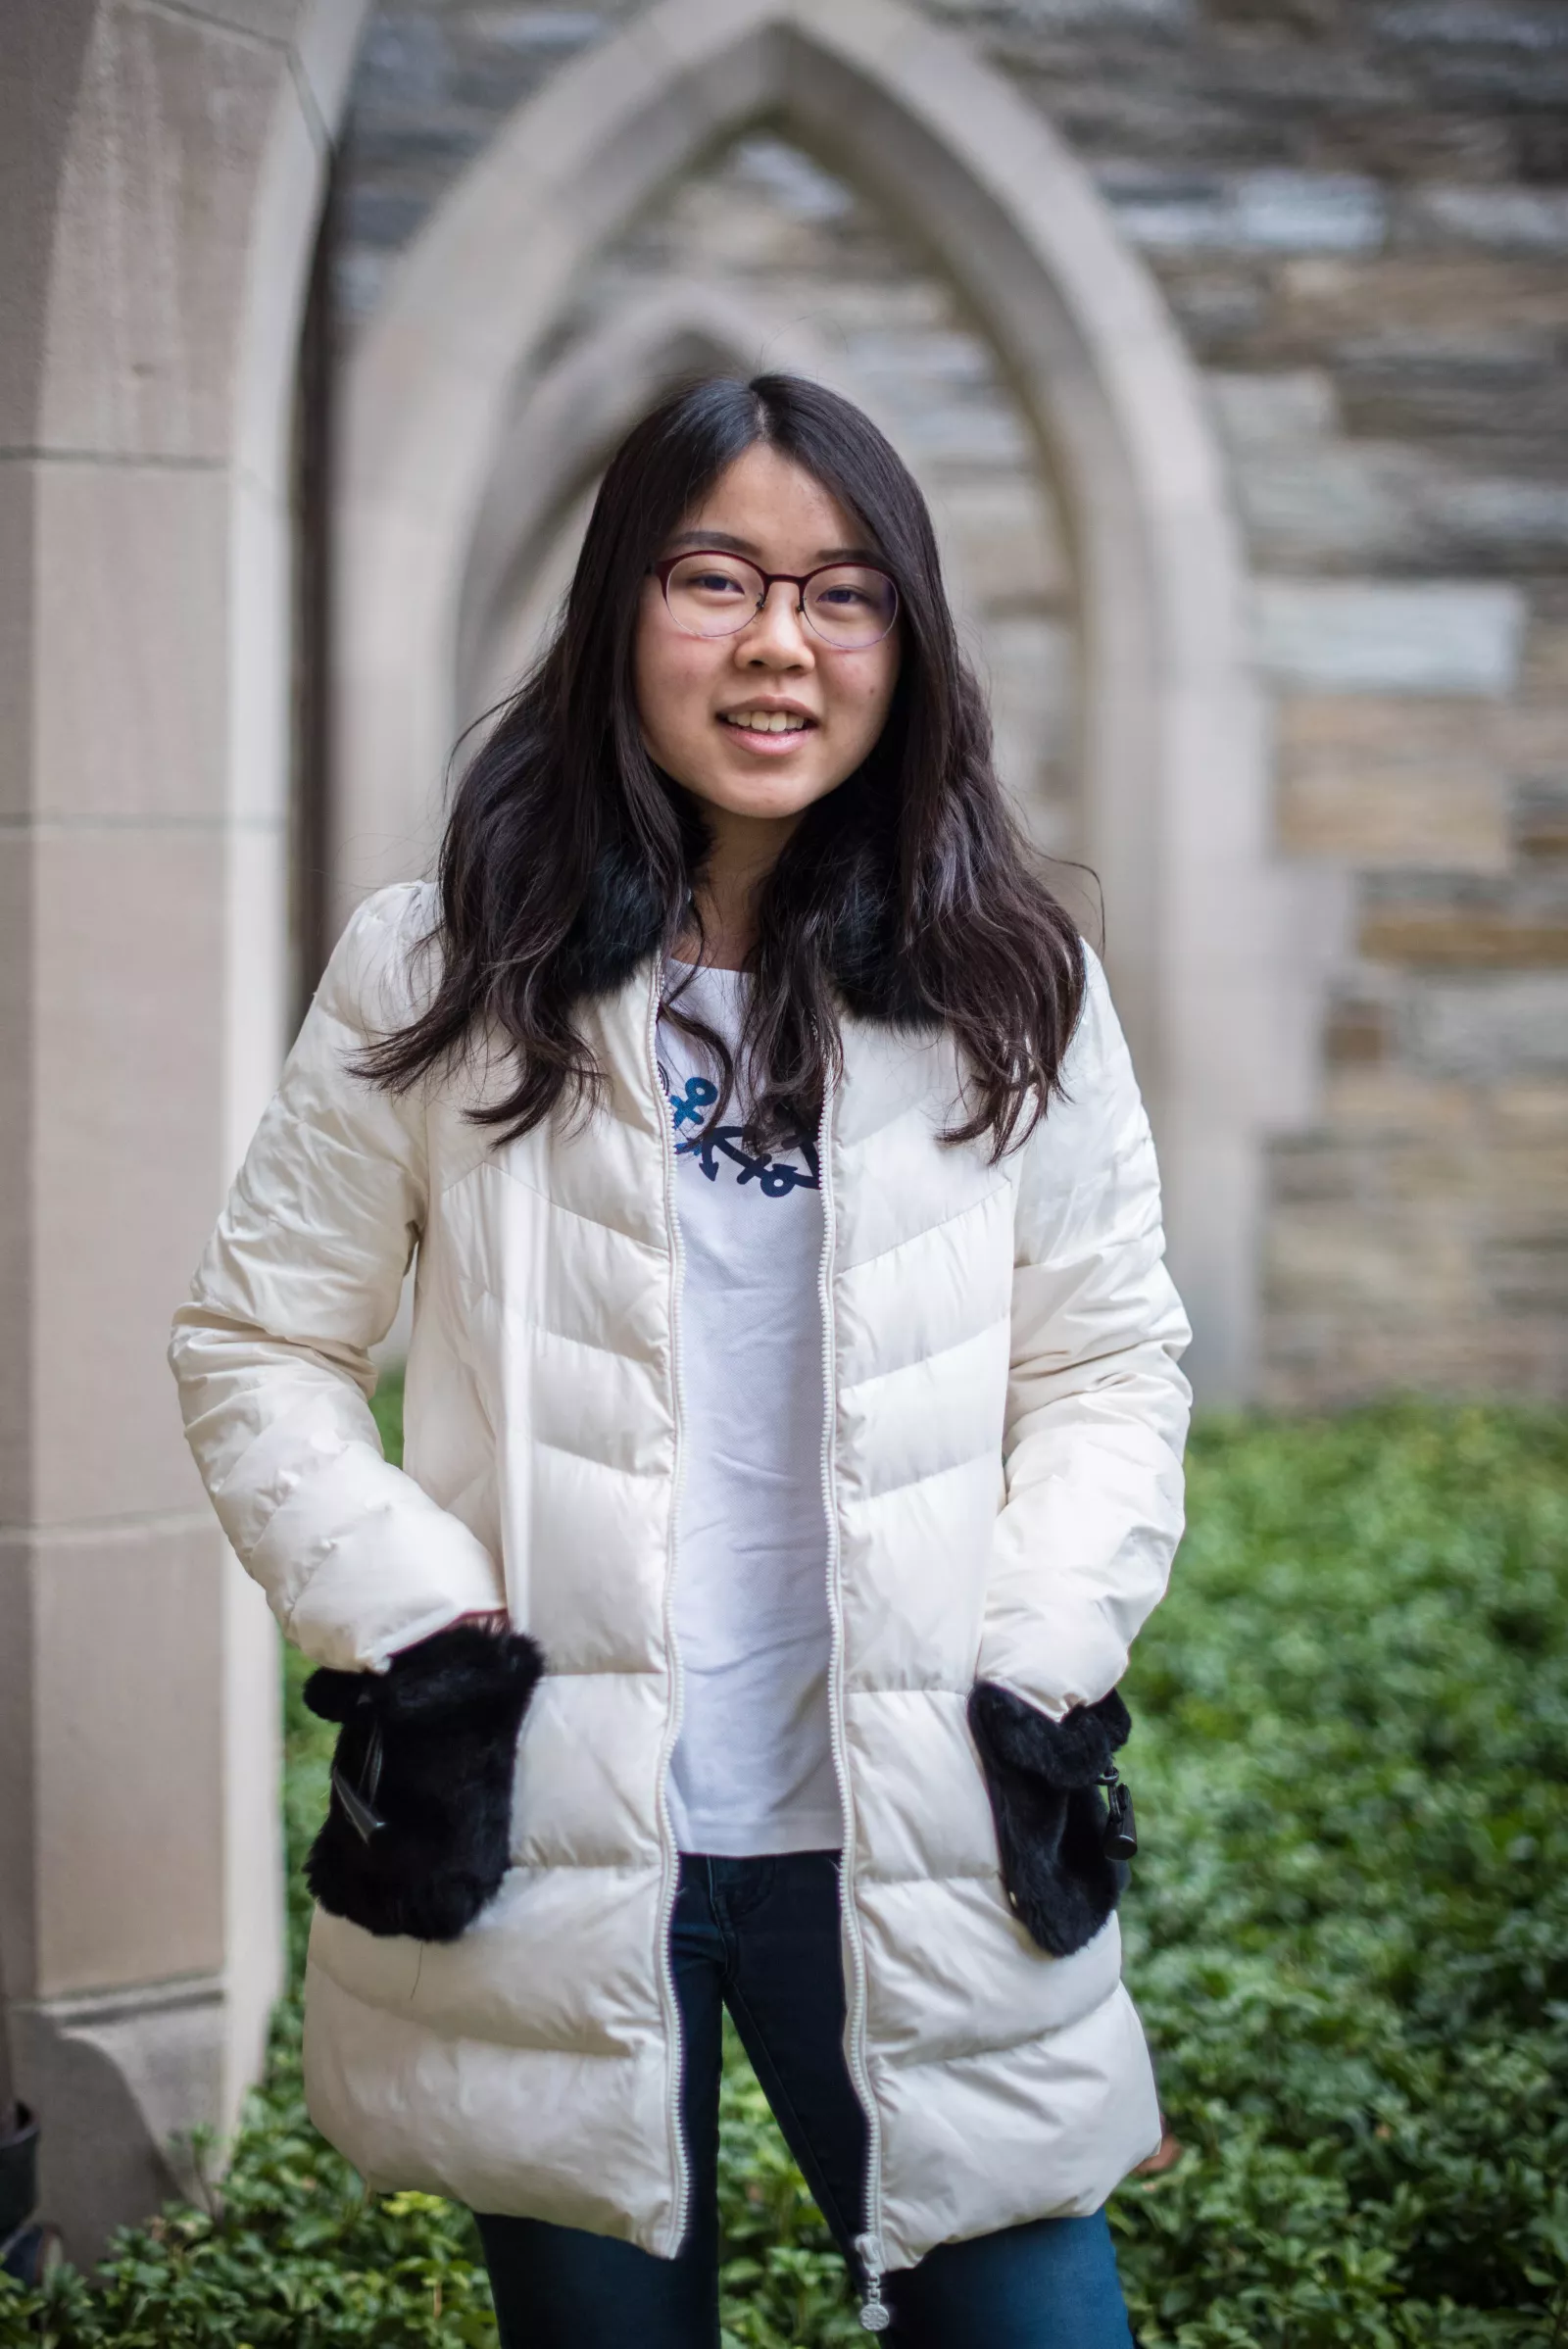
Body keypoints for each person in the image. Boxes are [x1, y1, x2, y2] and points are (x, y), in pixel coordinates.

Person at [170, 373, 1191, 2347]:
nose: (776, 642)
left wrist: (1036, 1645)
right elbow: (259, 1336)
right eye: (711, 577)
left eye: (838, 590)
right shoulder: (442, 963)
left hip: (907, 1818)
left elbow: (1107, 1361)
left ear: (904, 637)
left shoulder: (1007, 984)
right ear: (614, 611)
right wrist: (420, 1630)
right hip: (554, 1815)